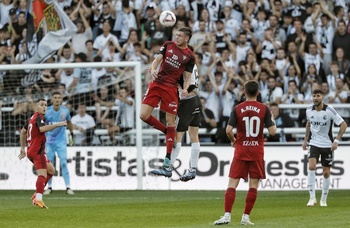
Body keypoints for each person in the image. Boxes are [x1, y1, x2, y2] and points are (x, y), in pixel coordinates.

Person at [213, 80, 276, 225]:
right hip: (256, 152)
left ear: (244, 92)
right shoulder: (264, 108)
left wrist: (233, 140)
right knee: (253, 185)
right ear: (258, 93)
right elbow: (272, 132)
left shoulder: (237, 108)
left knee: (232, 184)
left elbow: (228, 130)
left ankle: (227, 215)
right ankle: (245, 217)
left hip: (241, 150)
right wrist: (272, 120)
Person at [139, 27, 195, 178]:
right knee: (143, 115)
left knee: (171, 121)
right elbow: (157, 60)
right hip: (157, 84)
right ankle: (166, 132)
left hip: (171, 88)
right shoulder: (168, 44)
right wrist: (153, 69)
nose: (176, 37)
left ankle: (167, 161)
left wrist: (185, 89)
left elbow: (188, 77)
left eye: (180, 36)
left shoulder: (190, 56)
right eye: (176, 35)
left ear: (187, 39)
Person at [18, 98, 67, 209]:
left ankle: (37, 193)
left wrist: (22, 149)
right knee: (43, 174)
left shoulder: (32, 118)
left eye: (45, 105)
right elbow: (42, 129)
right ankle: (38, 199)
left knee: (51, 170)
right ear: (37, 107)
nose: (44, 107)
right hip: (37, 151)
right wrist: (58, 124)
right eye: (42, 105)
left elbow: (23, 132)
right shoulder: (38, 118)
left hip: (33, 150)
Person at [302, 89, 347, 207]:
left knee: (326, 173)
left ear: (323, 97)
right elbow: (308, 124)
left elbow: (343, 125)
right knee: (311, 166)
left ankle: (323, 199)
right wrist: (305, 140)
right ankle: (312, 198)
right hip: (314, 143)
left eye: (318, 96)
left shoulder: (329, 110)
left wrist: (336, 140)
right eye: (314, 96)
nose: (315, 98)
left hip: (327, 145)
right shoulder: (308, 110)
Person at [170, 63, 202, 182]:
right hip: (196, 100)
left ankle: (168, 166)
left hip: (187, 102)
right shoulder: (193, 65)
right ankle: (193, 169)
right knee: (194, 136)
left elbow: (188, 84)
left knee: (177, 136)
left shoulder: (185, 65)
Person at [43, 92, 75, 195]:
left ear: (61, 100)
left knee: (64, 163)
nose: (57, 99)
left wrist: (72, 133)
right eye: (55, 97)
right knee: (49, 165)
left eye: (59, 98)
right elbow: (41, 125)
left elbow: (69, 122)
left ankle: (68, 187)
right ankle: (49, 187)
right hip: (49, 142)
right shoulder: (47, 112)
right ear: (52, 100)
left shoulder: (65, 111)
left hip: (61, 142)